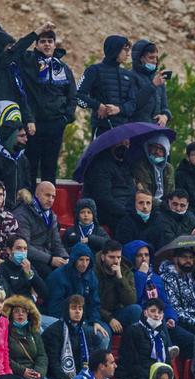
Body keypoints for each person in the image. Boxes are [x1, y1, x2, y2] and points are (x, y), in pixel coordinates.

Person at [20, 27, 77, 182]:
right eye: (42, 41)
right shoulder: (28, 62)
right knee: (29, 166)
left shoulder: (63, 68)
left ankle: (47, 204)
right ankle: (27, 203)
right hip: (34, 124)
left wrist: (66, 119)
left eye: (50, 41)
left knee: (50, 167)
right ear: (36, 45)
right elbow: (15, 51)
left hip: (56, 124)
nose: (46, 44)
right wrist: (34, 33)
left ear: (54, 44)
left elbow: (72, 95)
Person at [77, 35, 136, 138]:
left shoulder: (128, 75)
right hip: (101, 129)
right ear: (115, 50)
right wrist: (98, 106)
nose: (128, 53)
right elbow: (77, 95)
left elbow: (132, 104)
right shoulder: (94, 70)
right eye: (125, 49)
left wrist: (119, 109)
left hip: (123, 131)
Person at [4, 294, 56, 379]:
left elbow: (42, 355)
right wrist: (22, 371)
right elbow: (4, 357)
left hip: (34, 372)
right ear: (11, 314)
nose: (20, 314)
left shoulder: (33, 331)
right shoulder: (5, 332)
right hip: (16, 373)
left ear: (29, 314)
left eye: (24, 311)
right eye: (16, 311)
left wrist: (39, 372)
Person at [43, 294, 102, 379]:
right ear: (67, 310)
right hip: (56, 377)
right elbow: (53, 363)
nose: (77, 311)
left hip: (79, 377)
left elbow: (89, 360)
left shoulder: (84, 332)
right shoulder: (54, 331)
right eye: (73, 308)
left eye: (80, 308)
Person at [118, 298, 172, 379]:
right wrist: (155, 377)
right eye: (153, 311)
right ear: (145, 312)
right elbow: (130, 364)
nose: (156, 315)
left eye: (160, 312)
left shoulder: (162, 335)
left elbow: (167, 362)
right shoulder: (133, 331)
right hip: (134, 378)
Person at [15, 182, 70, 277]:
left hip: (47, 256)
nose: (51, 200)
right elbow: (24, 247)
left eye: (53, 197)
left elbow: (56, 243)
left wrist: (65, 258)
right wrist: (50, 260)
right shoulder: (22, 213)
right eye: (47, 195)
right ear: (37, 194)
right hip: (31, 259)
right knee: (52, 274)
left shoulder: (51, 216)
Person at [82, 137, 135, 231]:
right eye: (120, 143)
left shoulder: (126, 164)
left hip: (127, 207)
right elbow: (103, 198)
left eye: (127, 144)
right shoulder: (100, 165)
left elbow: (131, 190)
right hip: (107, 211)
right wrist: (126, 212)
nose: (124, 146)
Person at [129, 39, 171, 126]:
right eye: (151, 58)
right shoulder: (130, 77)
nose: (155, 61)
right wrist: (153, 85)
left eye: (156, 57)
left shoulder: (159, 79)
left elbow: (165, 107)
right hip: (136, 127)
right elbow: (133, 105)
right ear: (140, 58)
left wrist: (165, 116)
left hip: (156, 127)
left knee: (164, 140)